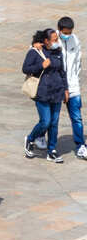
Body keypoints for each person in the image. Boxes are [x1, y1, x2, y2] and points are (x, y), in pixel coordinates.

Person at [44, 16, 87, 159]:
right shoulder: (53, 38)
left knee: (77, 118)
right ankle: (50, 147)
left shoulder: (75, 40)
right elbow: (38, 47)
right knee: (52, 120)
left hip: (73, 85)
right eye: (65, 32)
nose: (67, 35)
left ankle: (81, 146)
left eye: (70, 32)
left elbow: (78, 61)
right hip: (56, 85)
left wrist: (74, 78)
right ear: (59, 29)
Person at [23, 28, 67, 163]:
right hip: (42, 93)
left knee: (54, 123)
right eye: (54, 40)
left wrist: (65, 90)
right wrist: (41, 65)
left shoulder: (58, 52)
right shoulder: (35, 52)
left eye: (57, 39)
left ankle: (51, 150)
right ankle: (30, 139)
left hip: (57, 92)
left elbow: (62, 72)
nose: (57, 42)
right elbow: (26, 69)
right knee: (45, 121)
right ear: (46, 41)